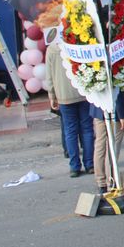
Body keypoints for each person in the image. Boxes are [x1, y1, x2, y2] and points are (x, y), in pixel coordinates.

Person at [46, 41, 94, 177]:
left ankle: (74, 166)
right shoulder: (79, 42)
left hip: (63, 96)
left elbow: (49, 76)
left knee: (70, 131)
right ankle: (89, 164)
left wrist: (52, 95)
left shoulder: (52, 49)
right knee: (87, 129)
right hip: (83, 92)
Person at [89, 90, 124, 192]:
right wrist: (123, 115)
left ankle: (101, 181)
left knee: (100, 145)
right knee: (113, 146)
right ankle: (110, 181)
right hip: (113, 110)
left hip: (97, 108)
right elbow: (117, 91)